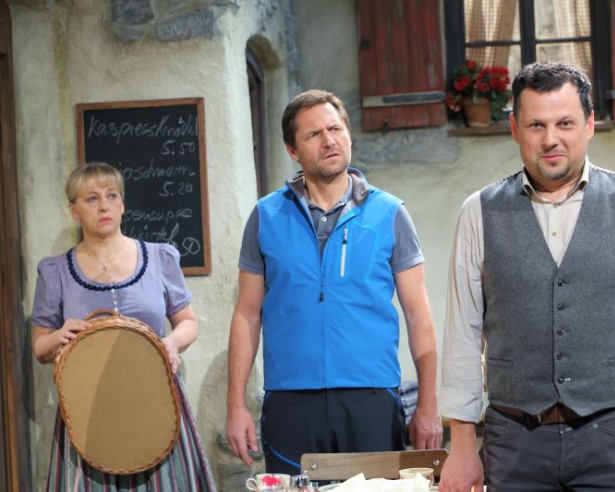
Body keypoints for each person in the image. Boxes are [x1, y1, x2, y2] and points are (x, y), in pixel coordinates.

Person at [438, 61, 615, 492]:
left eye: (565, 123)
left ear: (589, 124)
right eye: (536, 125)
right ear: (515, 129)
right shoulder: (477, 211)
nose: (551, 138)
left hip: (614, 440)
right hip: (514, 443)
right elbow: (462, 335)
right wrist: (461, 446)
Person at [226, 89, 442, 474]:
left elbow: (418, 314)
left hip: (371, 397)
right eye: (314, 134)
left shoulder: (389, 213)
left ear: (348, 135)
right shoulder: (266, 216)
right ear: (293, 150)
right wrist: (235, 404)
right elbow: (247, 313)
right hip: (291, 400)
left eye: (336, 129)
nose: (329, 141)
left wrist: (429, 403)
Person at [31, 162, 216, 491]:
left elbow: (188, 322)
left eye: (112, 195)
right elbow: (40, 348)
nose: (104, 206)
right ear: (74, 210)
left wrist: (171, 343)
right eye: (91, 198)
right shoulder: (56, 271)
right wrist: (59, 336)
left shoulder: (158, 258)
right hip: (88, 410)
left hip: (156, 401)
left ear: (123, 204)